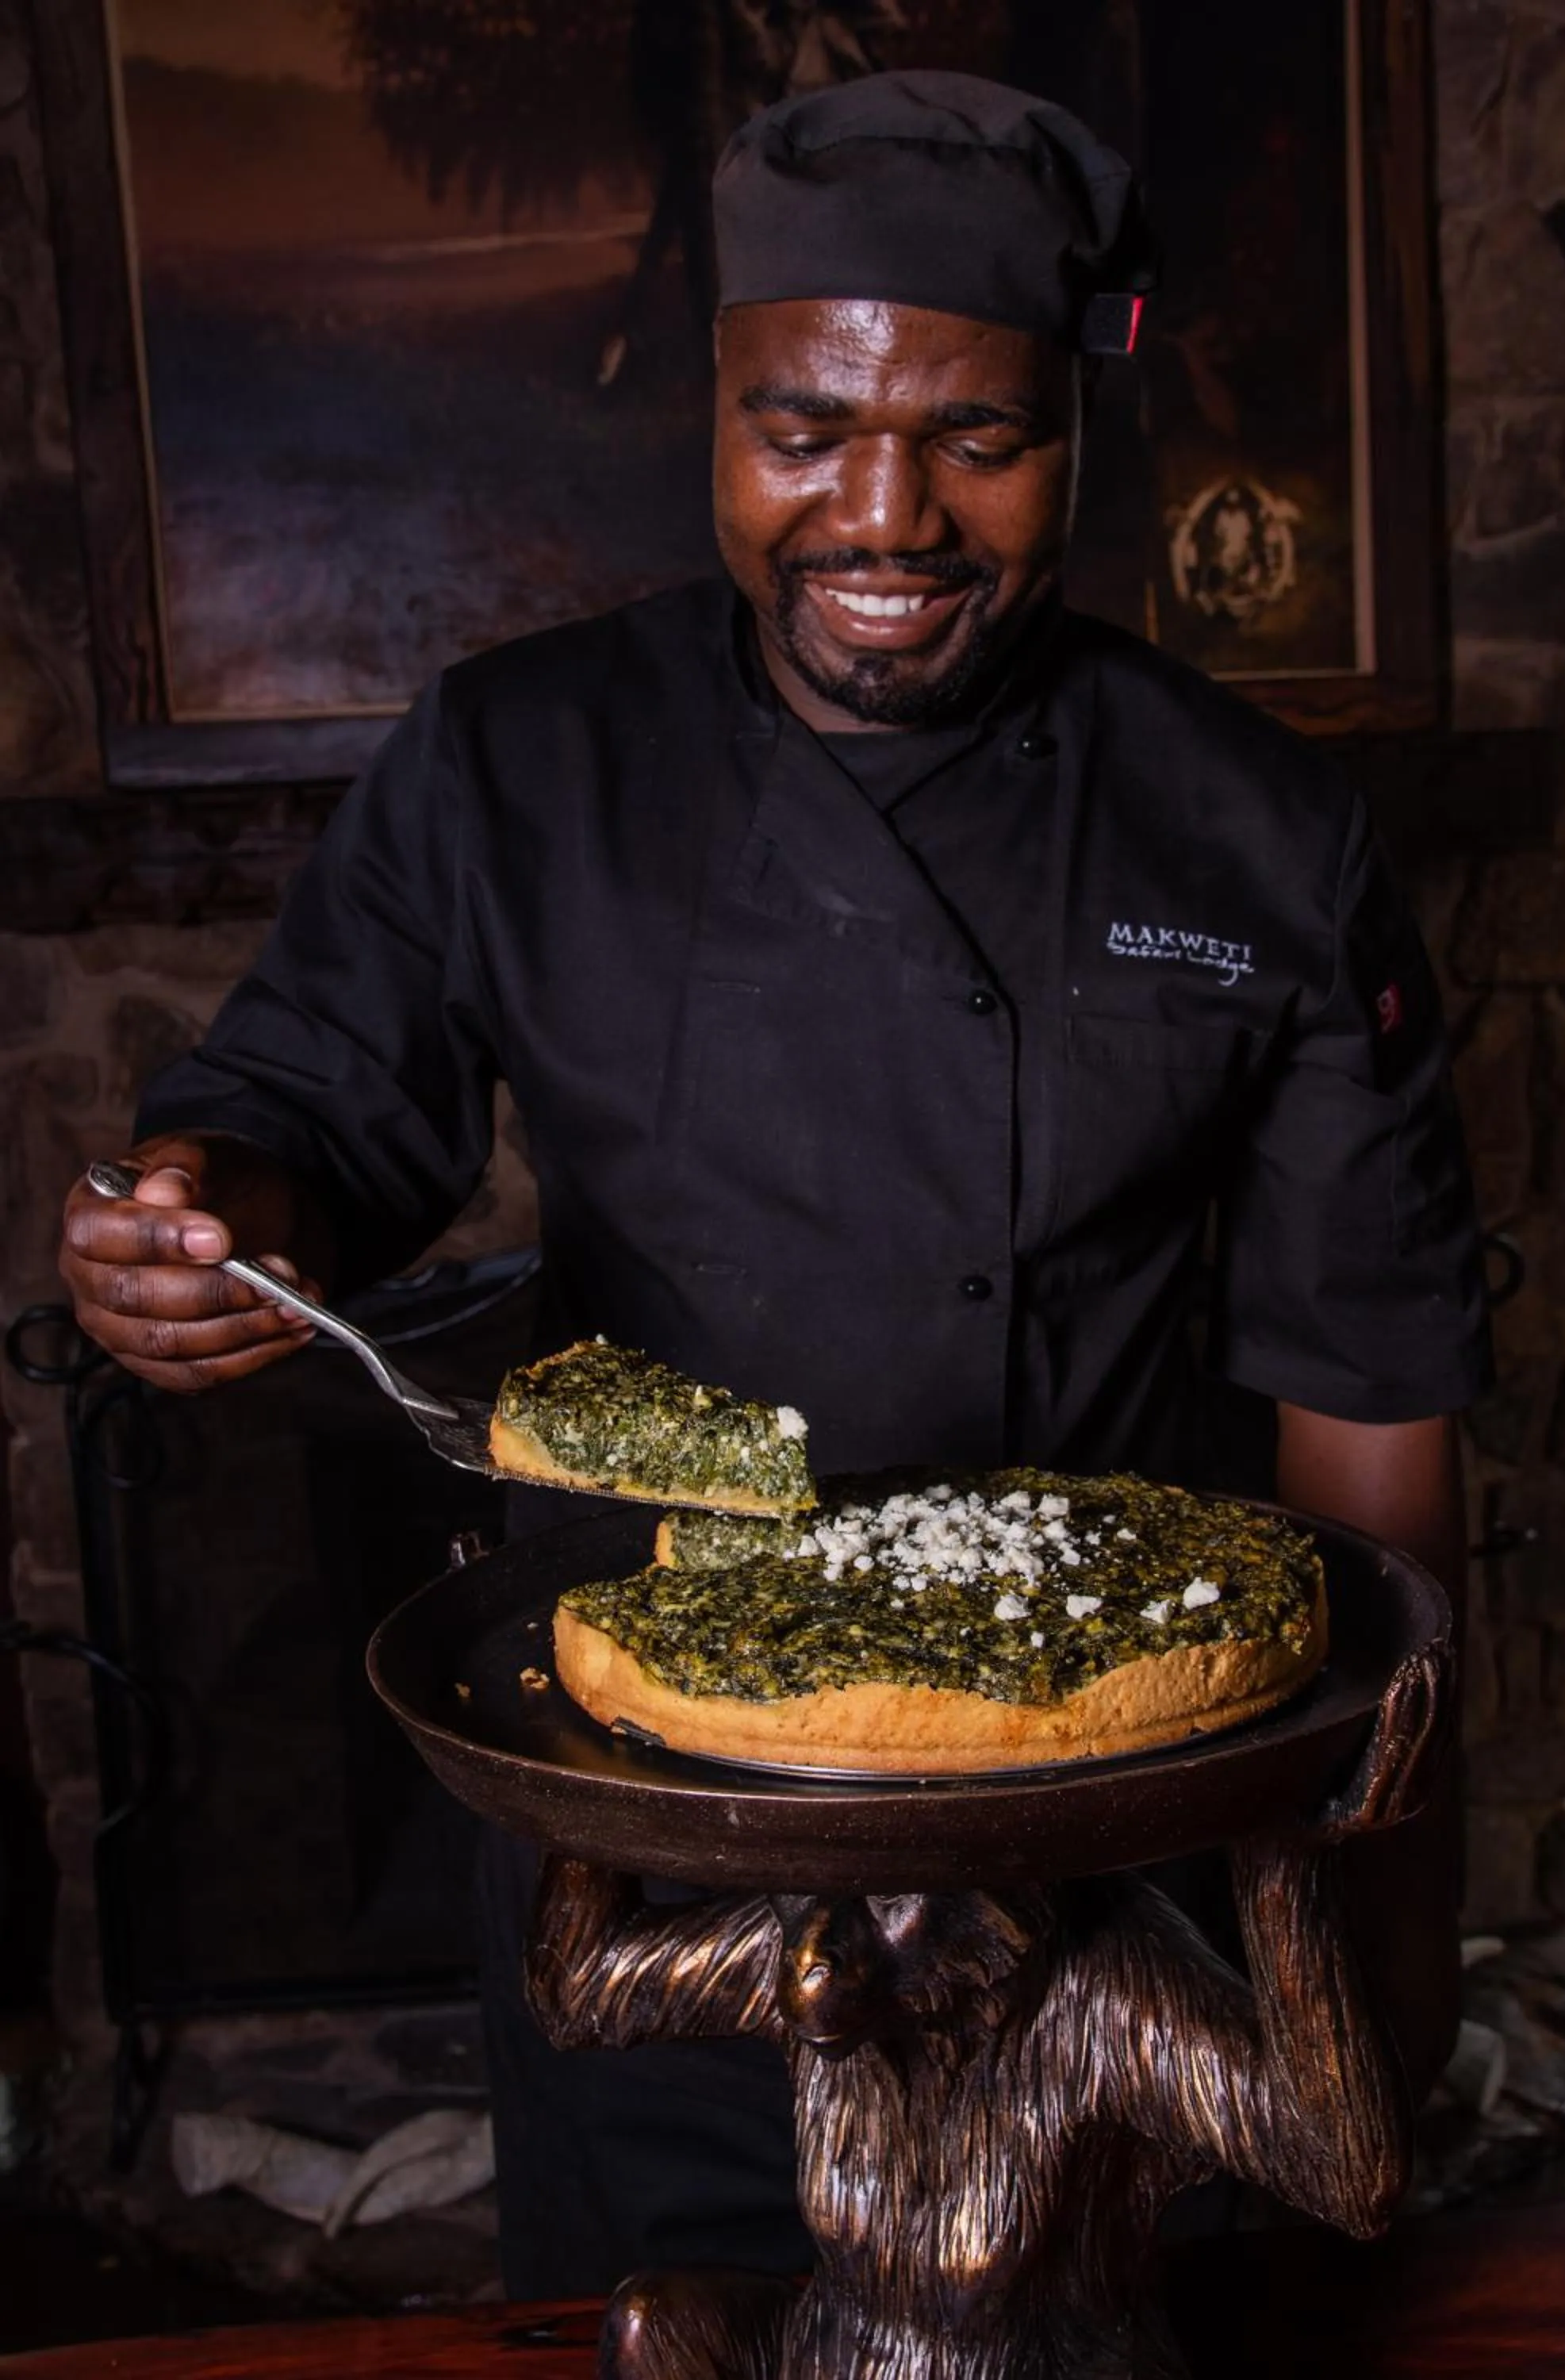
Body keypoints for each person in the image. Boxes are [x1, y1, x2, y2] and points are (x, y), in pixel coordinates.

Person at [58, 73, 1489, 2300]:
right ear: (711, 410)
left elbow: (1377, 1424)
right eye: (804, 428)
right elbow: (307, 1126)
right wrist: (208, 1218)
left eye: (979, 440)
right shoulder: (516, 767)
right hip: (662, 1857)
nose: (885, 514)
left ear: (1072, 439)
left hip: (1123, 1863)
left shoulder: (1250, 837)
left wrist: (1376, 1991)